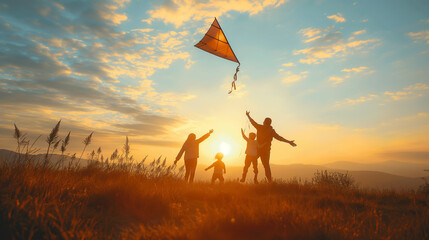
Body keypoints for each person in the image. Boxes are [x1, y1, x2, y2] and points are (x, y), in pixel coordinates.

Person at [245, 111, 296, 183]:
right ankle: (270, 182)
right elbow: (279, 138)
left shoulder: (260, 127)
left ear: (264, 122)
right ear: (270, 123)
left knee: (252, 162)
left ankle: (255, 178)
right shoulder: (271, 131)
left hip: (257, 150)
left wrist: (248, 115)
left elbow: (252, 122)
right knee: (266, 166)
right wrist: (289, 142)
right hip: (266, 151)